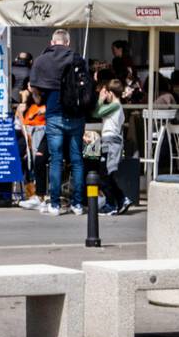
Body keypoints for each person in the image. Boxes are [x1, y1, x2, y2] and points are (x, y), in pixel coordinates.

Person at [28, 28, 86, 216]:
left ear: (53, 42)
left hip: (54, 114)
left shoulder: (41, 60)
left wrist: (39, 98)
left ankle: (54, 204)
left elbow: (34, 88)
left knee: (55, 160)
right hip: (76, 115)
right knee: (77, 160)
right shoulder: (78, 58)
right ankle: (77, 204)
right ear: (67, 42)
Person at [94, 79, 132, 216]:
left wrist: (100, 99)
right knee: (107, 174)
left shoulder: (115, 106)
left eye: (106, 93)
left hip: (110, 141)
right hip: (109, 141)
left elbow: (96, 113)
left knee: (105, 175)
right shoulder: (117, 107)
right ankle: (122, 199)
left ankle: (111, 204)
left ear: (110, 93)